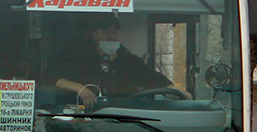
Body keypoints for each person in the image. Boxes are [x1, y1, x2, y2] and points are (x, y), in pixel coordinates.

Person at [53, 15, 187, 107]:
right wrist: (80, 89)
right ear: (95, 35)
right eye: (106, 32)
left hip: (123, 125)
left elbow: (156, 79)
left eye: (116, 32)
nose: (112, 36)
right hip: (85, 124)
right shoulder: (80, 59)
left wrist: (177, 91)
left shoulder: (131, 62)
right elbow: (52, 79)